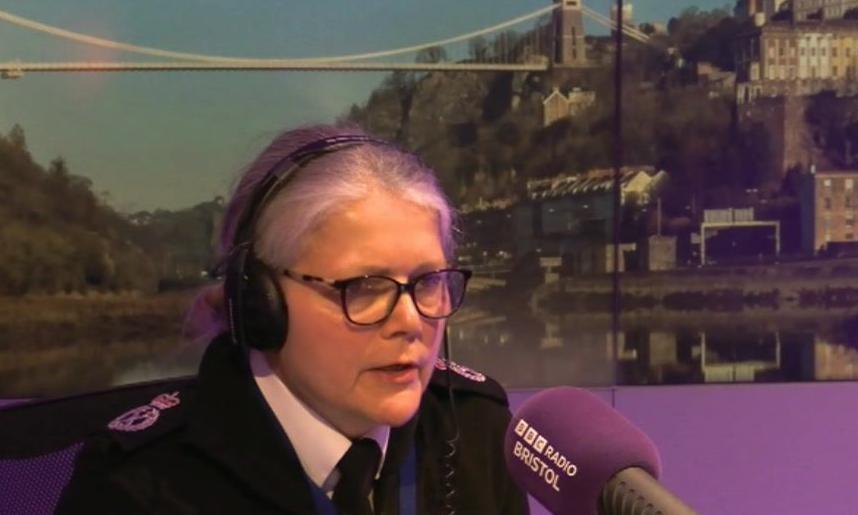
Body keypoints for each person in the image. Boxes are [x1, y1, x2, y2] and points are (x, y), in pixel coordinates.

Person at [56, 125, 529, 514]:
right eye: (362, 287)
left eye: (427, 281)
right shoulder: (138, 487)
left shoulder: (474, 431)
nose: (410, 322)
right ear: (260, 300)